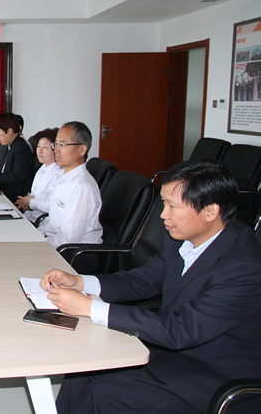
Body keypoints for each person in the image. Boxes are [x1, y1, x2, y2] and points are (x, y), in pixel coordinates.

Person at [41, 160, 261, 414]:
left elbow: (181, 330)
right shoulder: (183, 238)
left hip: (211, 377)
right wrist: (80, 281)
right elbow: (144, 280)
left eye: (172, 206)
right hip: (170, 354)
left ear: (210, 211)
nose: (163, 215)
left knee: (103, 395)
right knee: (83, 368)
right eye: (163, 203)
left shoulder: (244, 268)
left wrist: (90, 308)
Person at [36, 121, 102, 272]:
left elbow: (68, 238)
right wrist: (37, 235)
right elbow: (53, 221)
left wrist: (40, 245)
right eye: (56, 144)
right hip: (59, 245)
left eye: (63, 144)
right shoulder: (62, 177)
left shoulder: (81, 187)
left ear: (82, 149)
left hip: (76, 254)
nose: (57, 150)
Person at [15, 128, 63, 222]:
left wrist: (31, 202)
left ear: (56, 149)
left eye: (45, 147)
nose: (39, 151)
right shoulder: (43, 167)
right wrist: (26, 202)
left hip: (43, 221)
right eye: (38, 146)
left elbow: (51, 205)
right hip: (32, 216)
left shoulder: (58, 173)